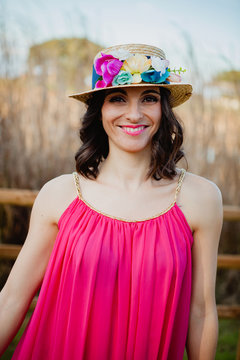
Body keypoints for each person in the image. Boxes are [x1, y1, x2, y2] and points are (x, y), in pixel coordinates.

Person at [0, 44, 223, 359]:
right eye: (117, 98)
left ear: (164, 109)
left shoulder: (201, 198)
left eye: (149, 98)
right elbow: (11, 299)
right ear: (98, 110)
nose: (134, 114)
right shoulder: (60, 194)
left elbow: (201, 312)